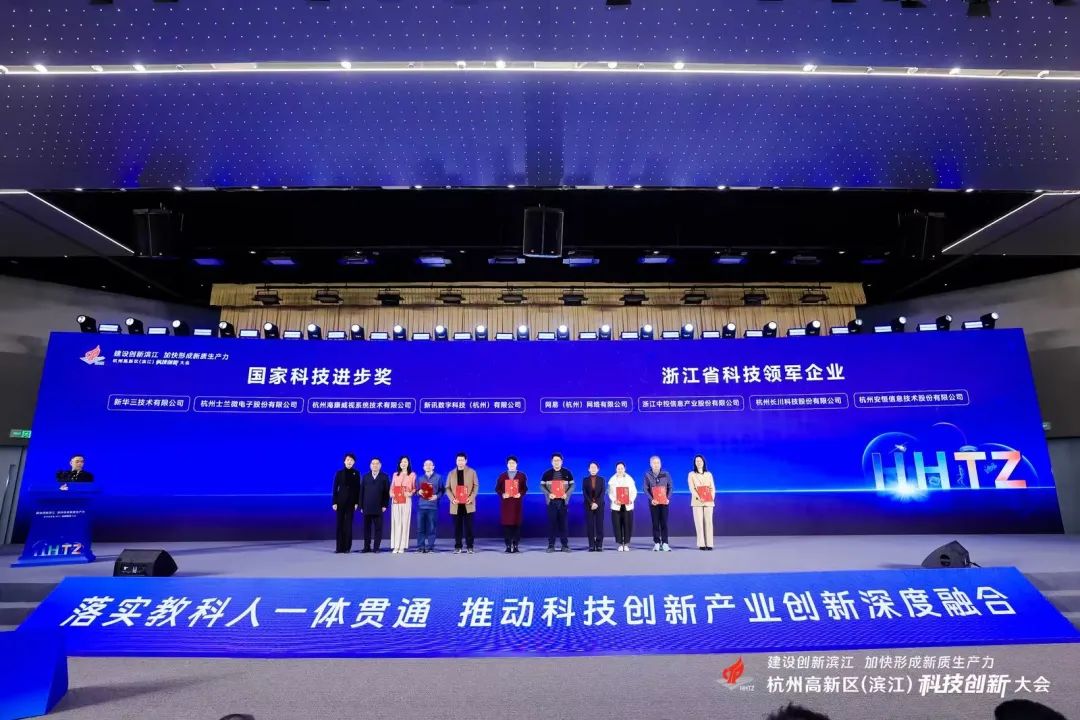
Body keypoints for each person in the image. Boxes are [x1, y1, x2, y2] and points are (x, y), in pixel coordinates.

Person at [540, 452, 574, 552]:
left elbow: (573, 485)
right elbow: (541, 486)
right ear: (551, 462)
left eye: (558, 460)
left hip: (563, 502)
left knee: (564, 524)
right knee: (552, 524)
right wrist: (548, 494)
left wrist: (566, 494)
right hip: (551, 502)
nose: (556, 462)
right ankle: (551, 545)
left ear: (562, 462)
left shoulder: (567, 473)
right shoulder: (547, 474)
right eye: (554, 460)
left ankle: (565, 545)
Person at [446, 452, 478, 554]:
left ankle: (470, 546)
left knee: (469, 527)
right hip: (456, 504)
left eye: (462, 460)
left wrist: (471, 498)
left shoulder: (472, 472)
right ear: (456, 461)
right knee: (457, 527)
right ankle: (458, 546)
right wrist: (452, 499)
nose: (460, 462)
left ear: (466, 461)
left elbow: (476, 486)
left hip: (468, 504)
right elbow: (447, 488)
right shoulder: (451, 473)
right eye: (458, 460)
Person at [495, 455, 527, 553]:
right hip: (506, 504)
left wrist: (520, 494)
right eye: (510, 463)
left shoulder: (522, 476)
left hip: (517, 503)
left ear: (516, 464)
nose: (511, 464)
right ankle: (508, 545)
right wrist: (502, 494)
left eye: (513, 463)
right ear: (507, 464)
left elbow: (525, 488)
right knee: (507, 525)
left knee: (517, 524)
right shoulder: (502, 476)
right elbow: (497, 489)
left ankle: (516, 545)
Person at [358, 457, 389, 553]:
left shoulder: (384, 477)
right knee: (366, 528)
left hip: (379, 507)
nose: (375, 465)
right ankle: (366, 547)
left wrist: (385, 505)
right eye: (373, 463)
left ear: (380, 465)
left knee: (378, 529)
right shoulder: (365, 477)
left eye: (377, 463)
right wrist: (361, 506)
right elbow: (361, 492)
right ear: (370, 465)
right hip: (366, 506)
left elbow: (386, 493)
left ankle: (376, 548)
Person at [331, 453, 360, 553]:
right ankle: (339, 547)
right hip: (340, 502)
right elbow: (335, 488)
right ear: (344, 461)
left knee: (348, 525)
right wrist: (334, 502)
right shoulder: (339, 473)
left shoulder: (356, 473)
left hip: (351, 503)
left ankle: (347, 547)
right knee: (339, 524)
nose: (349, 462)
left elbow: (358, 489)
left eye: (351, 460)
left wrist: (357, 502)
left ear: (354, 462)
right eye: (347, 460)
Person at [643, 455, 673, 551]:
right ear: (650, 464)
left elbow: (670, 487)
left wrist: (668, 498)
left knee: (664, 523)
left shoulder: (666, 474)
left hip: (664, 503)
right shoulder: (647, 475)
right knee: (655, 523)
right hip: (654, 503)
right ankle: (656, 542)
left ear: (660, 464)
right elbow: (645, 489)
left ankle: (665, 543)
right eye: (654, 463)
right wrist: (651, 499)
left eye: (658, 463)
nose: (656, 465)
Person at [415, 459, 443, 553]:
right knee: (420, 528)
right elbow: (416, 491)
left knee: (431, 528)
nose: (428, 466)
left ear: (433, 467)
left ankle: (430, 547)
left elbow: (442, 491)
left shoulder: (438, 477)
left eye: (430, 464)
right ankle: (420, 547)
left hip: (432, 506)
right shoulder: (420, 478)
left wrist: (436, 496)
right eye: (426, 465)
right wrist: (418, 492)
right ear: (423, 467)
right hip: (421, 506)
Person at [688, 454, 716, 551]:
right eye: (697, 461)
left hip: (709, 501)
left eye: (700, 461)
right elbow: (692, 488)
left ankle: (710, 543)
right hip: (697, 501)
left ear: (703, 462)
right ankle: (701, 544)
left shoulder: (709, 474)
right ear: (695, 463)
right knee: (699, 523)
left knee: (709, 522)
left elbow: (712, 488)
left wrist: (710, 498)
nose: (699, 462)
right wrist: (699, 497)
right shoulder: (691, 474)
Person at [607, 462, 637, 551]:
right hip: (616, 505)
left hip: (627, 505)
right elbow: (610, 493)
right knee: (617, 524)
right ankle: (620, 544)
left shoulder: (630, 479)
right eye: (618, 468)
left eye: (621, 468)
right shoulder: (612, 480)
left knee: (628, 524)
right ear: (616, 469)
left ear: (624, 469)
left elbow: (634, 491)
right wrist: (614, 500)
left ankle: (626, 544)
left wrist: (631, 499)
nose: (620, 470)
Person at [389, 456, 416, 554]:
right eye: (401, 462)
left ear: (408, 463)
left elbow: (414, 488)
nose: (403, 464)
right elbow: (392, 487)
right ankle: (395, 545)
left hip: (406, 500)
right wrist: (391, 493)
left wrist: (410, 493)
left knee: (404, 522)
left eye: (405, 462)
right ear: (399, 464)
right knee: (396, 523)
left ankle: (402, 546)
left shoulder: (412, 474)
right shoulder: (395, 474)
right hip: (396, 500)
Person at [582, 461, 605, 551]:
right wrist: (591, 503)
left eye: (595, 467)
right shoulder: (585, 480)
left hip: (599, 505)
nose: (593, 469)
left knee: (599, 525)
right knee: (590, 525)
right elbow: (585, 493)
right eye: (591, 467)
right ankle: (591, 545)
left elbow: (602, 493)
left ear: (598, 469)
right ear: (589, 469)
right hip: (588, 505)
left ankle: (599, 545)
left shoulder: (602, 480)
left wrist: (596, 503)